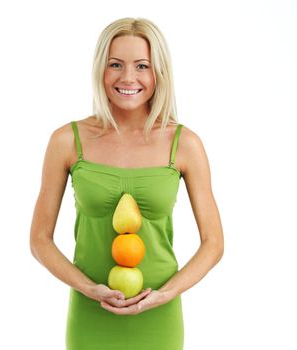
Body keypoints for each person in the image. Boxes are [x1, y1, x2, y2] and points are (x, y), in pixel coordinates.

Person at [30, 17, 224, 349]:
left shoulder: (185, 144)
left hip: (158, 316)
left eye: (142, 66)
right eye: (115, 64)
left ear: (158, 73)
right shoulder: (67, 141)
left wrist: (166, 294)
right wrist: (89, 289)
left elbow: (213, 242)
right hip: (91, 313)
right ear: (100, 70)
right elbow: (39, 239)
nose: (128, 77)